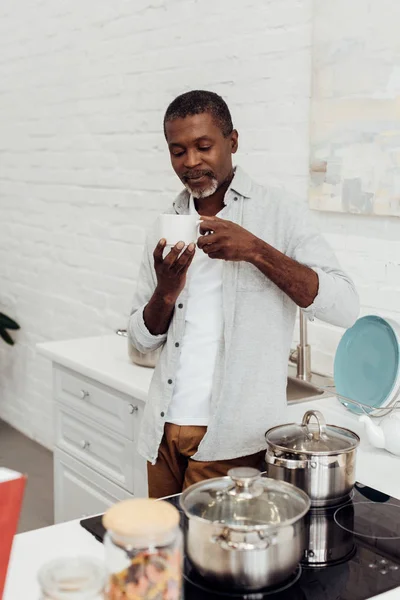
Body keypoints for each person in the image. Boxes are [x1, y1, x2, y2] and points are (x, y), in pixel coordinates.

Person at [128, 90, 359, 498]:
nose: (191, 162)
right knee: (163, 553)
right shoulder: (168, 222)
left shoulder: (278, 212)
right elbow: (140, 340)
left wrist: (256, 251)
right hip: (162, 431)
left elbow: (345, 305)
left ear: (232, 142)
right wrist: (165, 292)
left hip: (232, 439)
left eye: (203, 146)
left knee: (212, 558)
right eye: (177, 151)